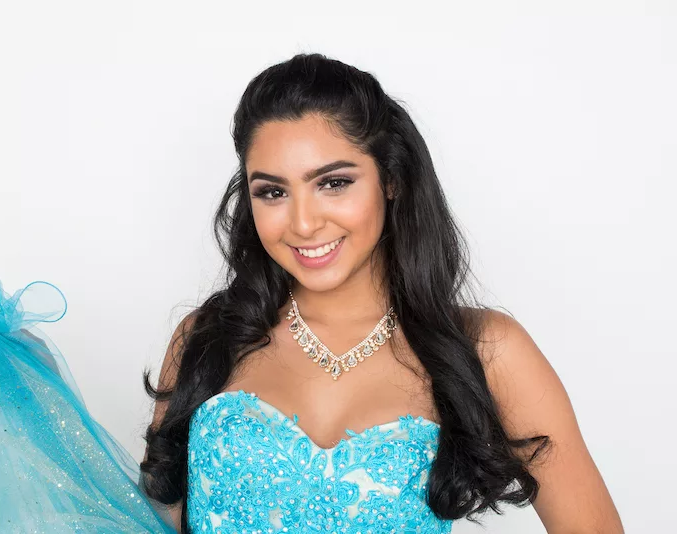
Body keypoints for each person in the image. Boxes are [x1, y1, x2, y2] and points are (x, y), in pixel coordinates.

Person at [138, 53, 624, 533]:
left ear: (390, 179)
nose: (304, 223)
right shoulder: (205, 338)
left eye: (334, 183)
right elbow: (147, 524)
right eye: (273, 192)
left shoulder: (489, 350)